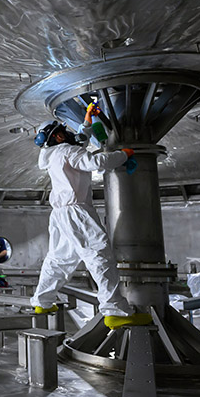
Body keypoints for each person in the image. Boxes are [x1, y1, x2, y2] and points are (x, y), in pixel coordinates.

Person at [31, 105, 152, 330]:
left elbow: (78, 142)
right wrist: (123, 155)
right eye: (62, 130)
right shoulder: (68, 151)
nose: (67, 132)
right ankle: (115, 311)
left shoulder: (53, 154)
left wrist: (87, 121)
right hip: (77, 213)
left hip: (59, 215)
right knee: (99, 257)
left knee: (59, 260)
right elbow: (96, 162)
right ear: (57, 136)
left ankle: (42, 301)